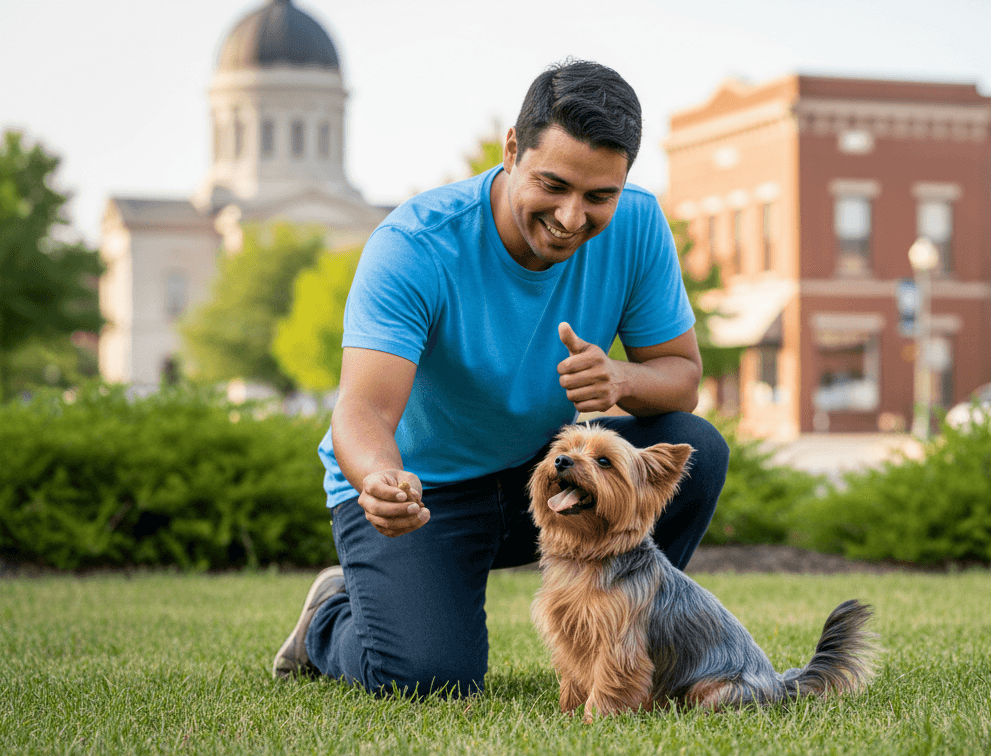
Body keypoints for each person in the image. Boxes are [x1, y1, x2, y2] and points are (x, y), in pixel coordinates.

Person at [271, 59, 729, 697]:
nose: (573, 217)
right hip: (422, 493)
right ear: (513, 149)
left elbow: (680, 380)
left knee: (696, 448)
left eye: (600, 196)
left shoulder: (640, 224)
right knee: (433, 681)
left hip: (546, 474)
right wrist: (379, 479)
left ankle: (618, 642)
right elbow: (362, 411)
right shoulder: (417, 244)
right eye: (554, 184)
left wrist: (620, 377)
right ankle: (329, 618)